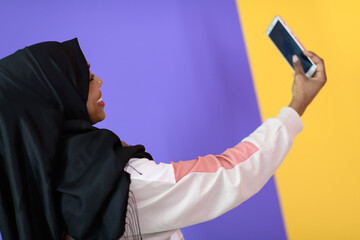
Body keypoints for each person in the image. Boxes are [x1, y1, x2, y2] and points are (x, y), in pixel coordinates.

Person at [0, 39, 326, 240]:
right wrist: (297, 106)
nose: (99, 80)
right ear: (58, 100)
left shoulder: (28, 198)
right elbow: (229, 174)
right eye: (85, 78)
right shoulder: (114, 186)